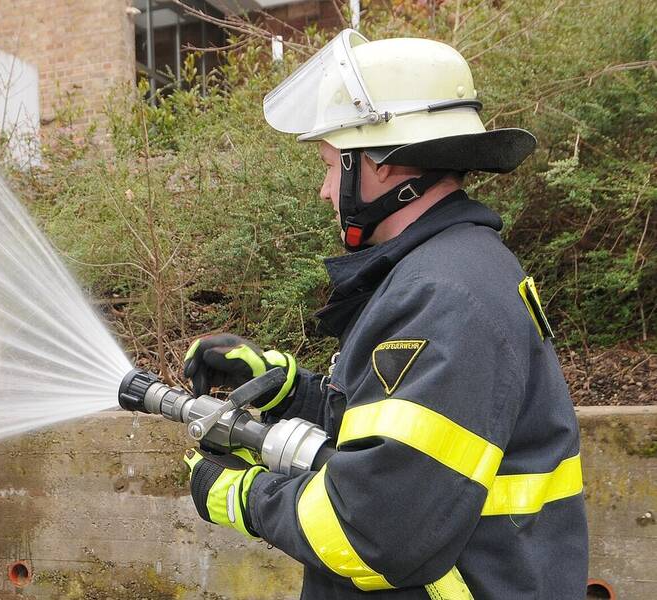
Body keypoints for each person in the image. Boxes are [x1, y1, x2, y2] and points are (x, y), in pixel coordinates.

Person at [180, 30, 587, 599]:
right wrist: (290, 393)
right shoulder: (450, 269)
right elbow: (400, 436)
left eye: (330, 166)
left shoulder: (444, 295)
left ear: (385, 167)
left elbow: (370, 529)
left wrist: (239, 494)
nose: (325, 191)